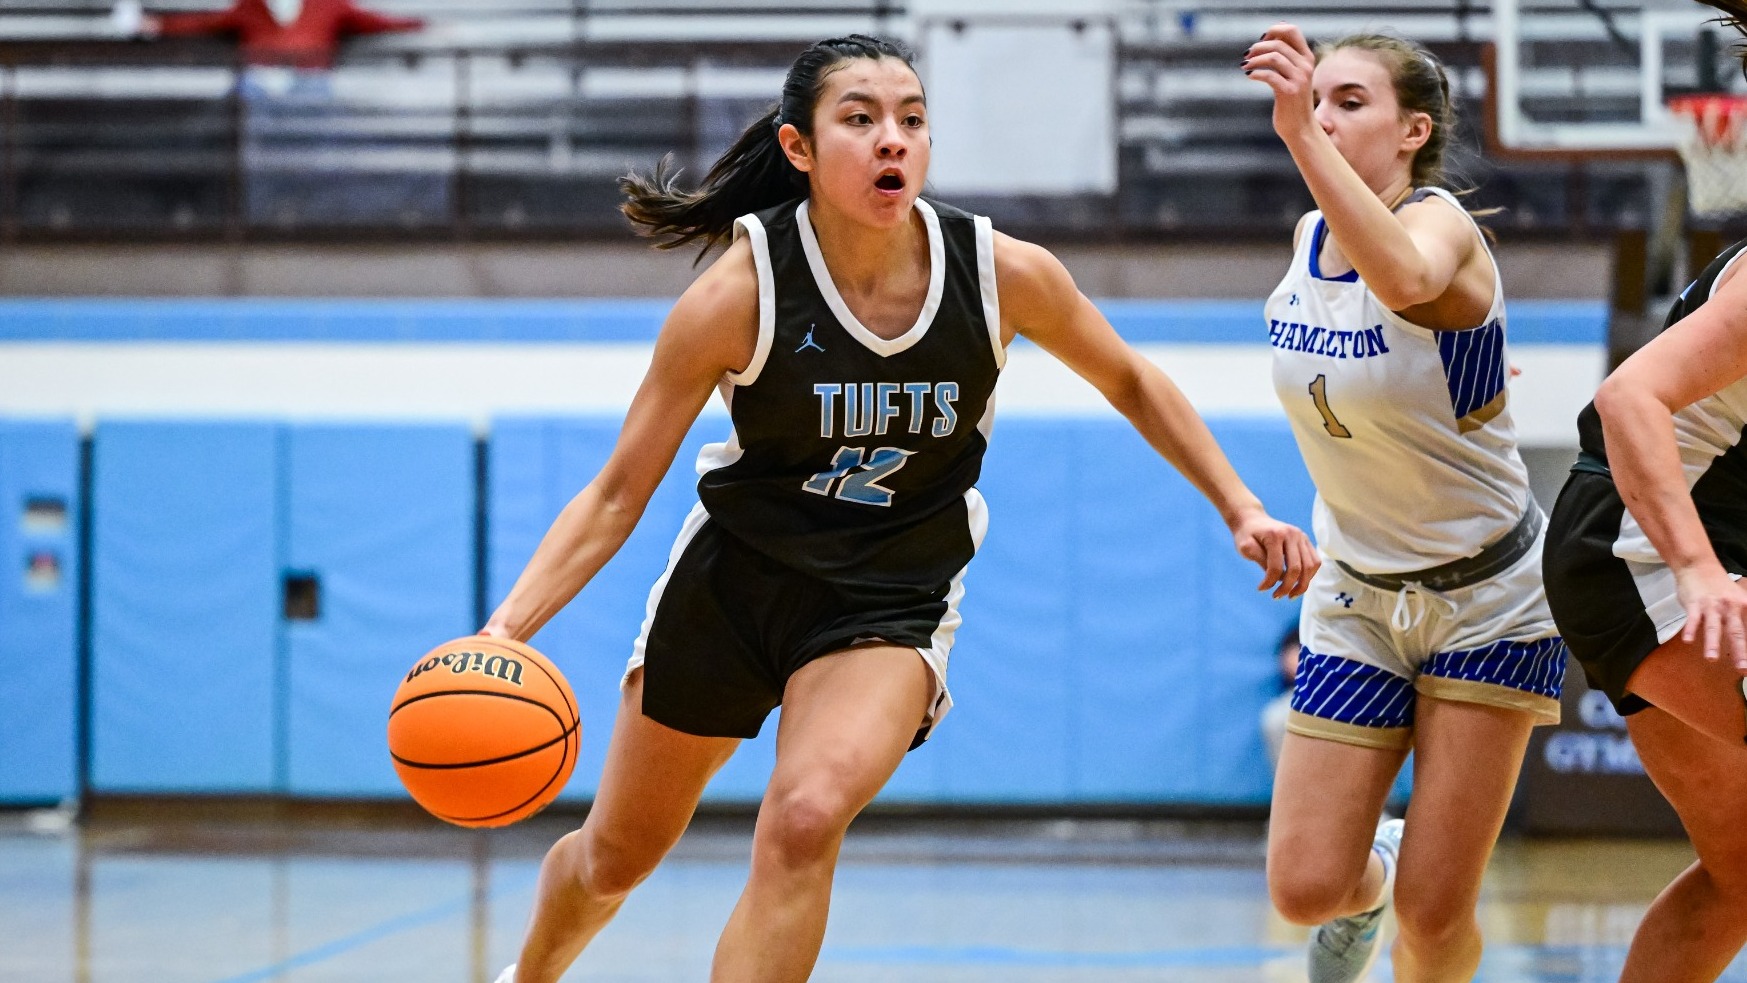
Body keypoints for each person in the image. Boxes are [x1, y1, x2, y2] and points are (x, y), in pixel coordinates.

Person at [483, 34, 1317, 983]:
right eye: (861, 119)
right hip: (734, 586)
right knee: (615, 856)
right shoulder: (738, 294)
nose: (894, 140)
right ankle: (526, 974)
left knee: (802, 820)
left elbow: (1128, 379)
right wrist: (508, 628)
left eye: (912, 120)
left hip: (886, 598)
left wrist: (1239, 505)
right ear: (798, 149)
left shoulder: (1000, 271)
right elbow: (615, 492)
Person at [1244, 25, 1568, 983]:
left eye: (1351, 103)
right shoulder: (1307, 236)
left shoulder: (1442, 229)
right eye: (1320, 99)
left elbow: (1410, 280)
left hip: (1487, 598)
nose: (1326, 117)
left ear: (1411, 131)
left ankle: (1410, 900)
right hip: (1358, 594)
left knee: (1436, 920)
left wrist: (1296, 128)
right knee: (1305, 888)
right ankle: (1371, 870)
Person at [1542, 9, 1747, 980]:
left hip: (1672, 546)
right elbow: (1629, 396)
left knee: (1742, 873)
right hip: (1639, 547)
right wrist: (1700, 569)